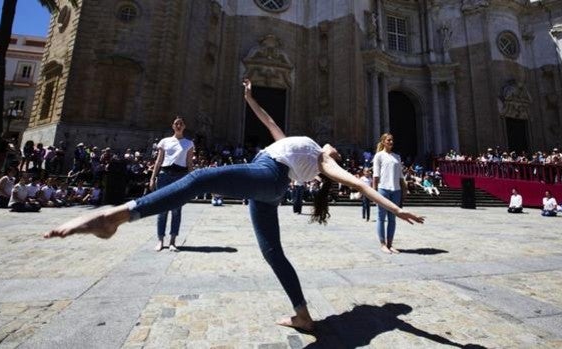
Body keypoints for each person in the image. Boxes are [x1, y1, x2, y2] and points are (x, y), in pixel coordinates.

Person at [44, 79, 425, 332]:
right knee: (273, 253)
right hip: (268, 186)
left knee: (196, 179)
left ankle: (116, 217)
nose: (336, 149)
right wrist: (248, 98)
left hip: (268, 176)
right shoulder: (302, 143)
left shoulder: (324, 162)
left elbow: (359, 182)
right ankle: (303, 316)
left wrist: (395, 210)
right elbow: (271, 121)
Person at [149, 116, 195, 252]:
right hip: (164, 175)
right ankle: (160, 240)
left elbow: (189, 163)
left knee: (176, 209)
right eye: (176, 124)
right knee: (162, 210)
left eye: (181, 123)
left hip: (180, 176)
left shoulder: (189, 143)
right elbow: (158, 161)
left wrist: (192, 179)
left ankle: (173, 241)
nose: (179, 125)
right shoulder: (164, 141)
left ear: (184, 126)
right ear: (173, 126)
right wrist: (152, 178)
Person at [372, 133, 406, 254]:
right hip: (383, 189)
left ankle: (390, 244)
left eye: (392, 140)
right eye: (388, 140)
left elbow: (401, 176)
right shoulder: (378, 156)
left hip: (396, 190)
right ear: (383, 142)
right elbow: (375, 175)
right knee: (381, 218)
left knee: (392, 219)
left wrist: (404, 190)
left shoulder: (397, 156)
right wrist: (373, 192)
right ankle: (382, 244)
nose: (391, 142)